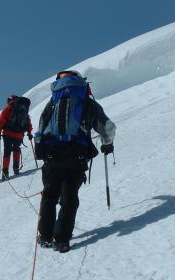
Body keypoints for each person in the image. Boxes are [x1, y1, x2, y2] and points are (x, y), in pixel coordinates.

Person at [34, 70, 116, 252]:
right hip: (76, 158)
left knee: (49, 196)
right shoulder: (87, 103)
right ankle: (61, 240)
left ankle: (45, 237)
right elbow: (107, 127)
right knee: (70, 198)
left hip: (52, 157)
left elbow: (41, 128)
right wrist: (107, 145)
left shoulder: (53, 102)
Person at [0, 95, 33, 179]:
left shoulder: (8, 108)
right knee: (16, 149)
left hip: (8, 133)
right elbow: (28, 122)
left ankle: (5, 172)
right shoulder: (23, 109)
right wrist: (29, 133)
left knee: (7, 152)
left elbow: (2, 120)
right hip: (18, 134)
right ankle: (16, 168)